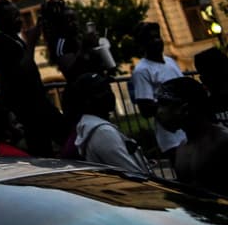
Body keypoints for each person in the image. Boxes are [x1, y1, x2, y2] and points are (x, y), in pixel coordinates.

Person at [0, 0, 66, 155]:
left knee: (65, 136)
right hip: (27, 110)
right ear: (0, 20)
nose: (20, 20)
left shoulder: (14, 38)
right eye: (14, 16)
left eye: (18, 14)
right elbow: (21, 71)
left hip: (37, 103)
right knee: (44, 151)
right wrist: (31, 42)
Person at [156, 76, 228, 195]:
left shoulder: (222, 143)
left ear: (184, 108)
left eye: (164, 104)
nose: (159, 111)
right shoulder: (182, 148)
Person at [69, 73, 150, 174]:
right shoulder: (103, 132)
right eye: (101, 91)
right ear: (86, 101)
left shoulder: (91, 126)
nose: (109, 94)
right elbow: (133, 173)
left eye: (108, 88)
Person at [129, 22, 187, 159]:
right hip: (172, 138)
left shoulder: (170, 61)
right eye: (150, 39)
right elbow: (145, 107)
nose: (156, 41)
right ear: (142, 45)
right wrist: (173, 108)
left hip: (189, 131)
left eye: (157, 37)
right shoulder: (142, 70)